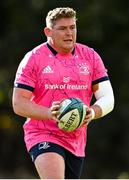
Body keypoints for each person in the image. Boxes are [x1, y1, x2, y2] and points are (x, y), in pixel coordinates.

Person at [12, 7, 114, 179]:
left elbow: (108, 97)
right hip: (42, 134)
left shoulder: (90, 56)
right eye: (62, 29)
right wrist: (48, 113)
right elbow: (18, 103)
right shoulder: (34, 58)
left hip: (76, 138)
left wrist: (93, 112)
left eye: (72, 27)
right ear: (48, 31)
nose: (69, 33)